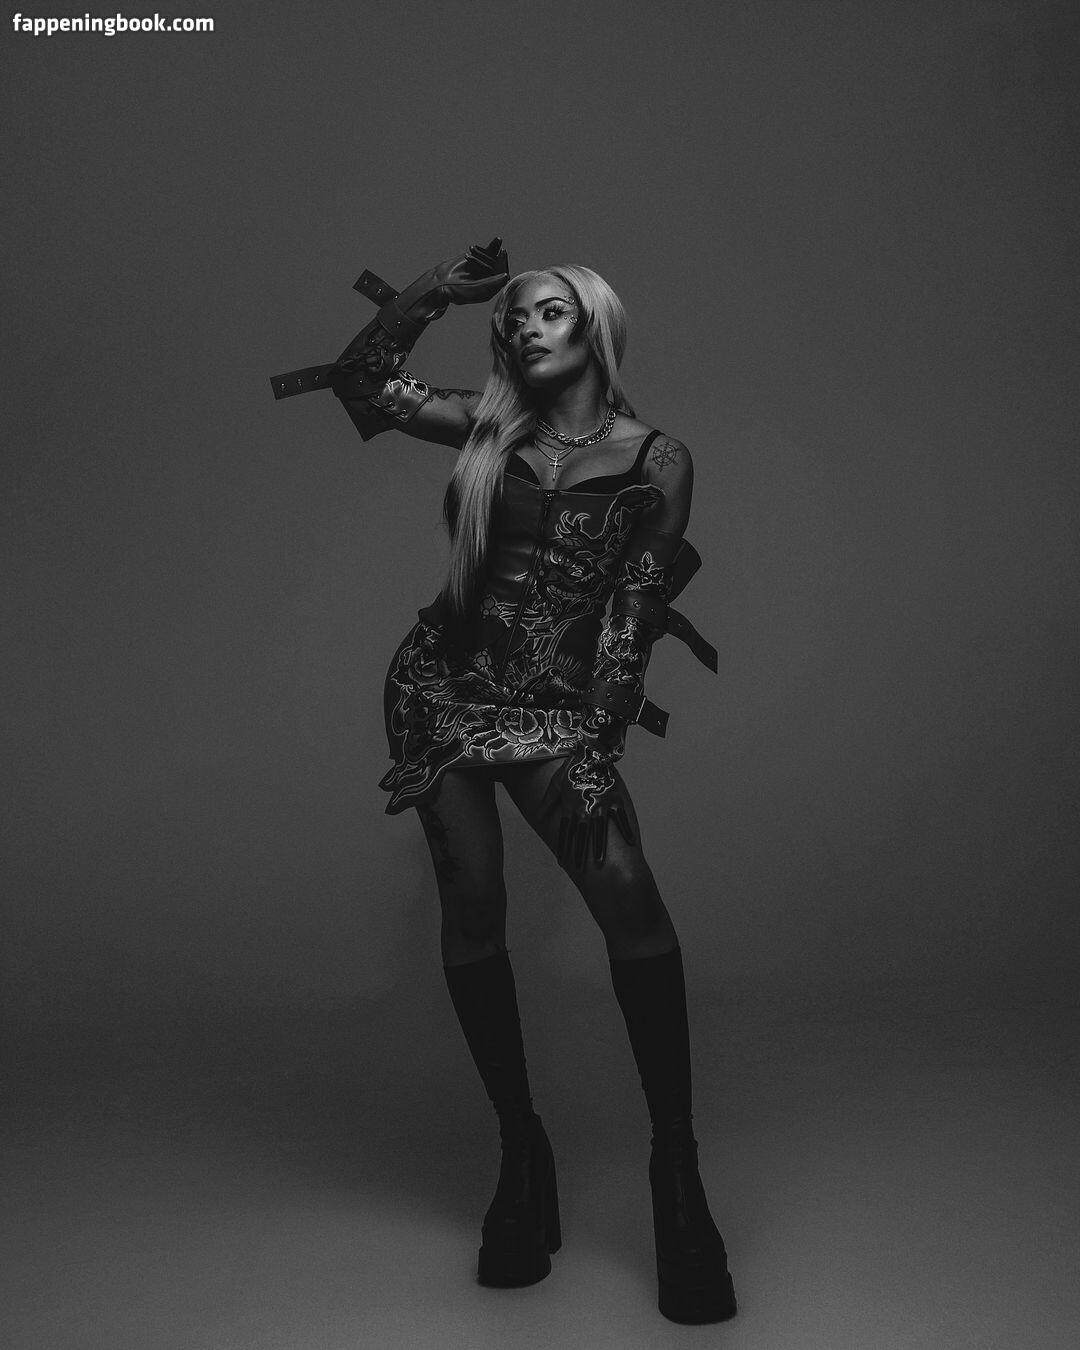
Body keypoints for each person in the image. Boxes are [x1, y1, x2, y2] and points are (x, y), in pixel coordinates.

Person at [272, 239, 737, 1324]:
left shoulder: (659, 458)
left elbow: (637, 605)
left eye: (548, 312)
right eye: (514, 317)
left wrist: (603, 723)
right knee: (474, 902)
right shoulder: (487, 428)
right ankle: (521, 1152)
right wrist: (438, 289)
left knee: (629, 895)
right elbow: (360, 385)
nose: (525, 327)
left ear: (596, 327)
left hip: (555, 711)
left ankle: (677, 1171)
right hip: (438, 688)